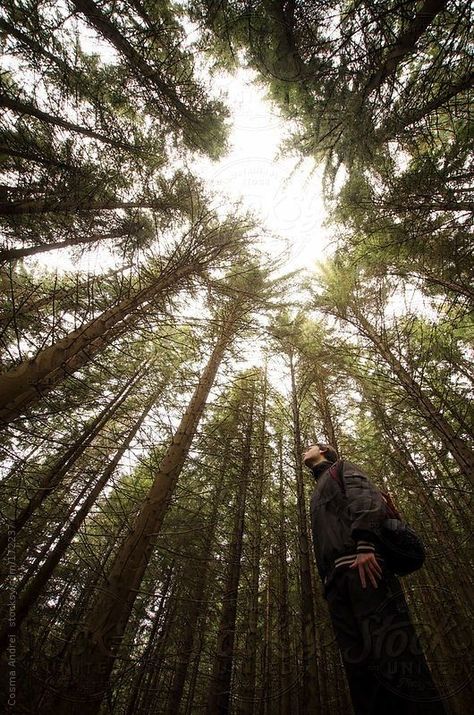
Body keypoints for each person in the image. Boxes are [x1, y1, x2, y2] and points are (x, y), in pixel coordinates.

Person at [303, 443, 448, 715]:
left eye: (309, 447)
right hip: (337, 585)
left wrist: (366, 544)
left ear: (323, 449)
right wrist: (327, 582)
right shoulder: (319, 487)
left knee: (396, 660)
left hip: (367, 570)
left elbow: (366, 497)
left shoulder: (341, 468)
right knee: (360, 674)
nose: (304, 451)